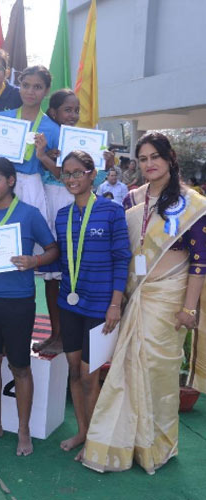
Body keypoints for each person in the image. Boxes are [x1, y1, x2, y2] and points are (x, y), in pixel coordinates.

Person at [82, 132, 206, 474]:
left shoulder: (193, 204)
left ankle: (155, 447)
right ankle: (122, 445)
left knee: (157, 374)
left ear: (169, 158)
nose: (149, 164)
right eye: (143, 158)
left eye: (155, 157)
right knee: (125, 370)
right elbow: (122, 250)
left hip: (169, 300)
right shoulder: (132, 199)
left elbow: (200, 262)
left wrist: (189, 309)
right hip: (135, 295)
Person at [0, 158, 59, 456]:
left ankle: (24, 430)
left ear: (11, 181)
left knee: (20, 367)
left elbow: (53, 249)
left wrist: (34, 261)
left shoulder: (29, 214)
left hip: (18, 301)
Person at [55, 150, 131, 461]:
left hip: (100, 307)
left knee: (90, 376)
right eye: (67, 174)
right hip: (69, 304)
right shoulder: (62, 215)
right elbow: (62, 260)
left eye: (77, 172)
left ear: (92, 174)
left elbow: (122, 258)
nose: (71, 179)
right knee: (74, 372)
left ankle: (96, 441)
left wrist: (115, 303)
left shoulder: (112, 211)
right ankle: (82, 432)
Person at [33, 89, 80, 355]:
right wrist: (46, 154)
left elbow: (68, 175)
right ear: (53, 112)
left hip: (71, 206)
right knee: (51, 278)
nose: (73, 115)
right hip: (49, 204)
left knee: (70, 275)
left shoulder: (83, 144)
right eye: (67, 110)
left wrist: (105, 160)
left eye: (76, 110)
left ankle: (69, 337)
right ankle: (55, 334)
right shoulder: (48, 139)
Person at [0, 66, 58, 220]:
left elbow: (60, 173)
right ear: (19, 86)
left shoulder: (53, 129)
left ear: (47, 91)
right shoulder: (2, 119)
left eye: (37, 87)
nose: (30, 91)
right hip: (1, 185)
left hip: (32, 187)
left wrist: (43, 156)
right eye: (25, 85)